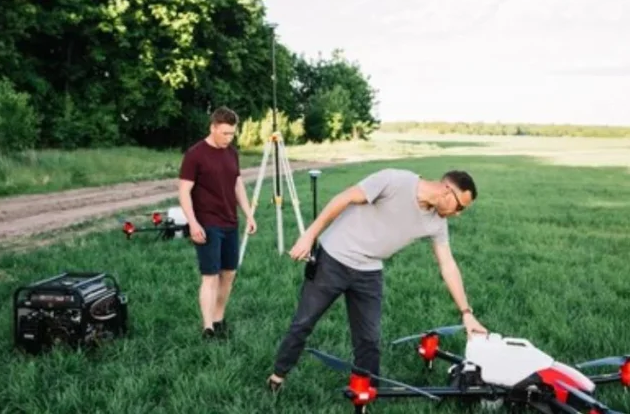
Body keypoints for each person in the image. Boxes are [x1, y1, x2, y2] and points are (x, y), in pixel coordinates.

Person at [265, 167, 487, 391]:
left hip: (369, 271)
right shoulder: (394, 180)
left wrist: (466, 313)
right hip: (334, 258)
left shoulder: (437, 223)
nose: (458, 213)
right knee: (304, 322)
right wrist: (309, 236)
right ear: (447, 191)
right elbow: (345, 198)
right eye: (459, 207)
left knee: (369, 340)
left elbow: (448, 265)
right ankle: (277, 376)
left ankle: (366, 392)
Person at [178, 106, 257, 340]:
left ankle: (219, 319)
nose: (228, 138)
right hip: (206, 222)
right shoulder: (195, 155)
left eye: (232, 134)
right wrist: (193, 223)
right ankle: (208, 327)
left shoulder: (232, 153)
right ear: (212, 127)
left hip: (230, 222)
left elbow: (237, 185)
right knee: (210, 275)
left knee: (229, 273)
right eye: (224, 133)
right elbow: (184, 192)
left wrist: (248, 214)